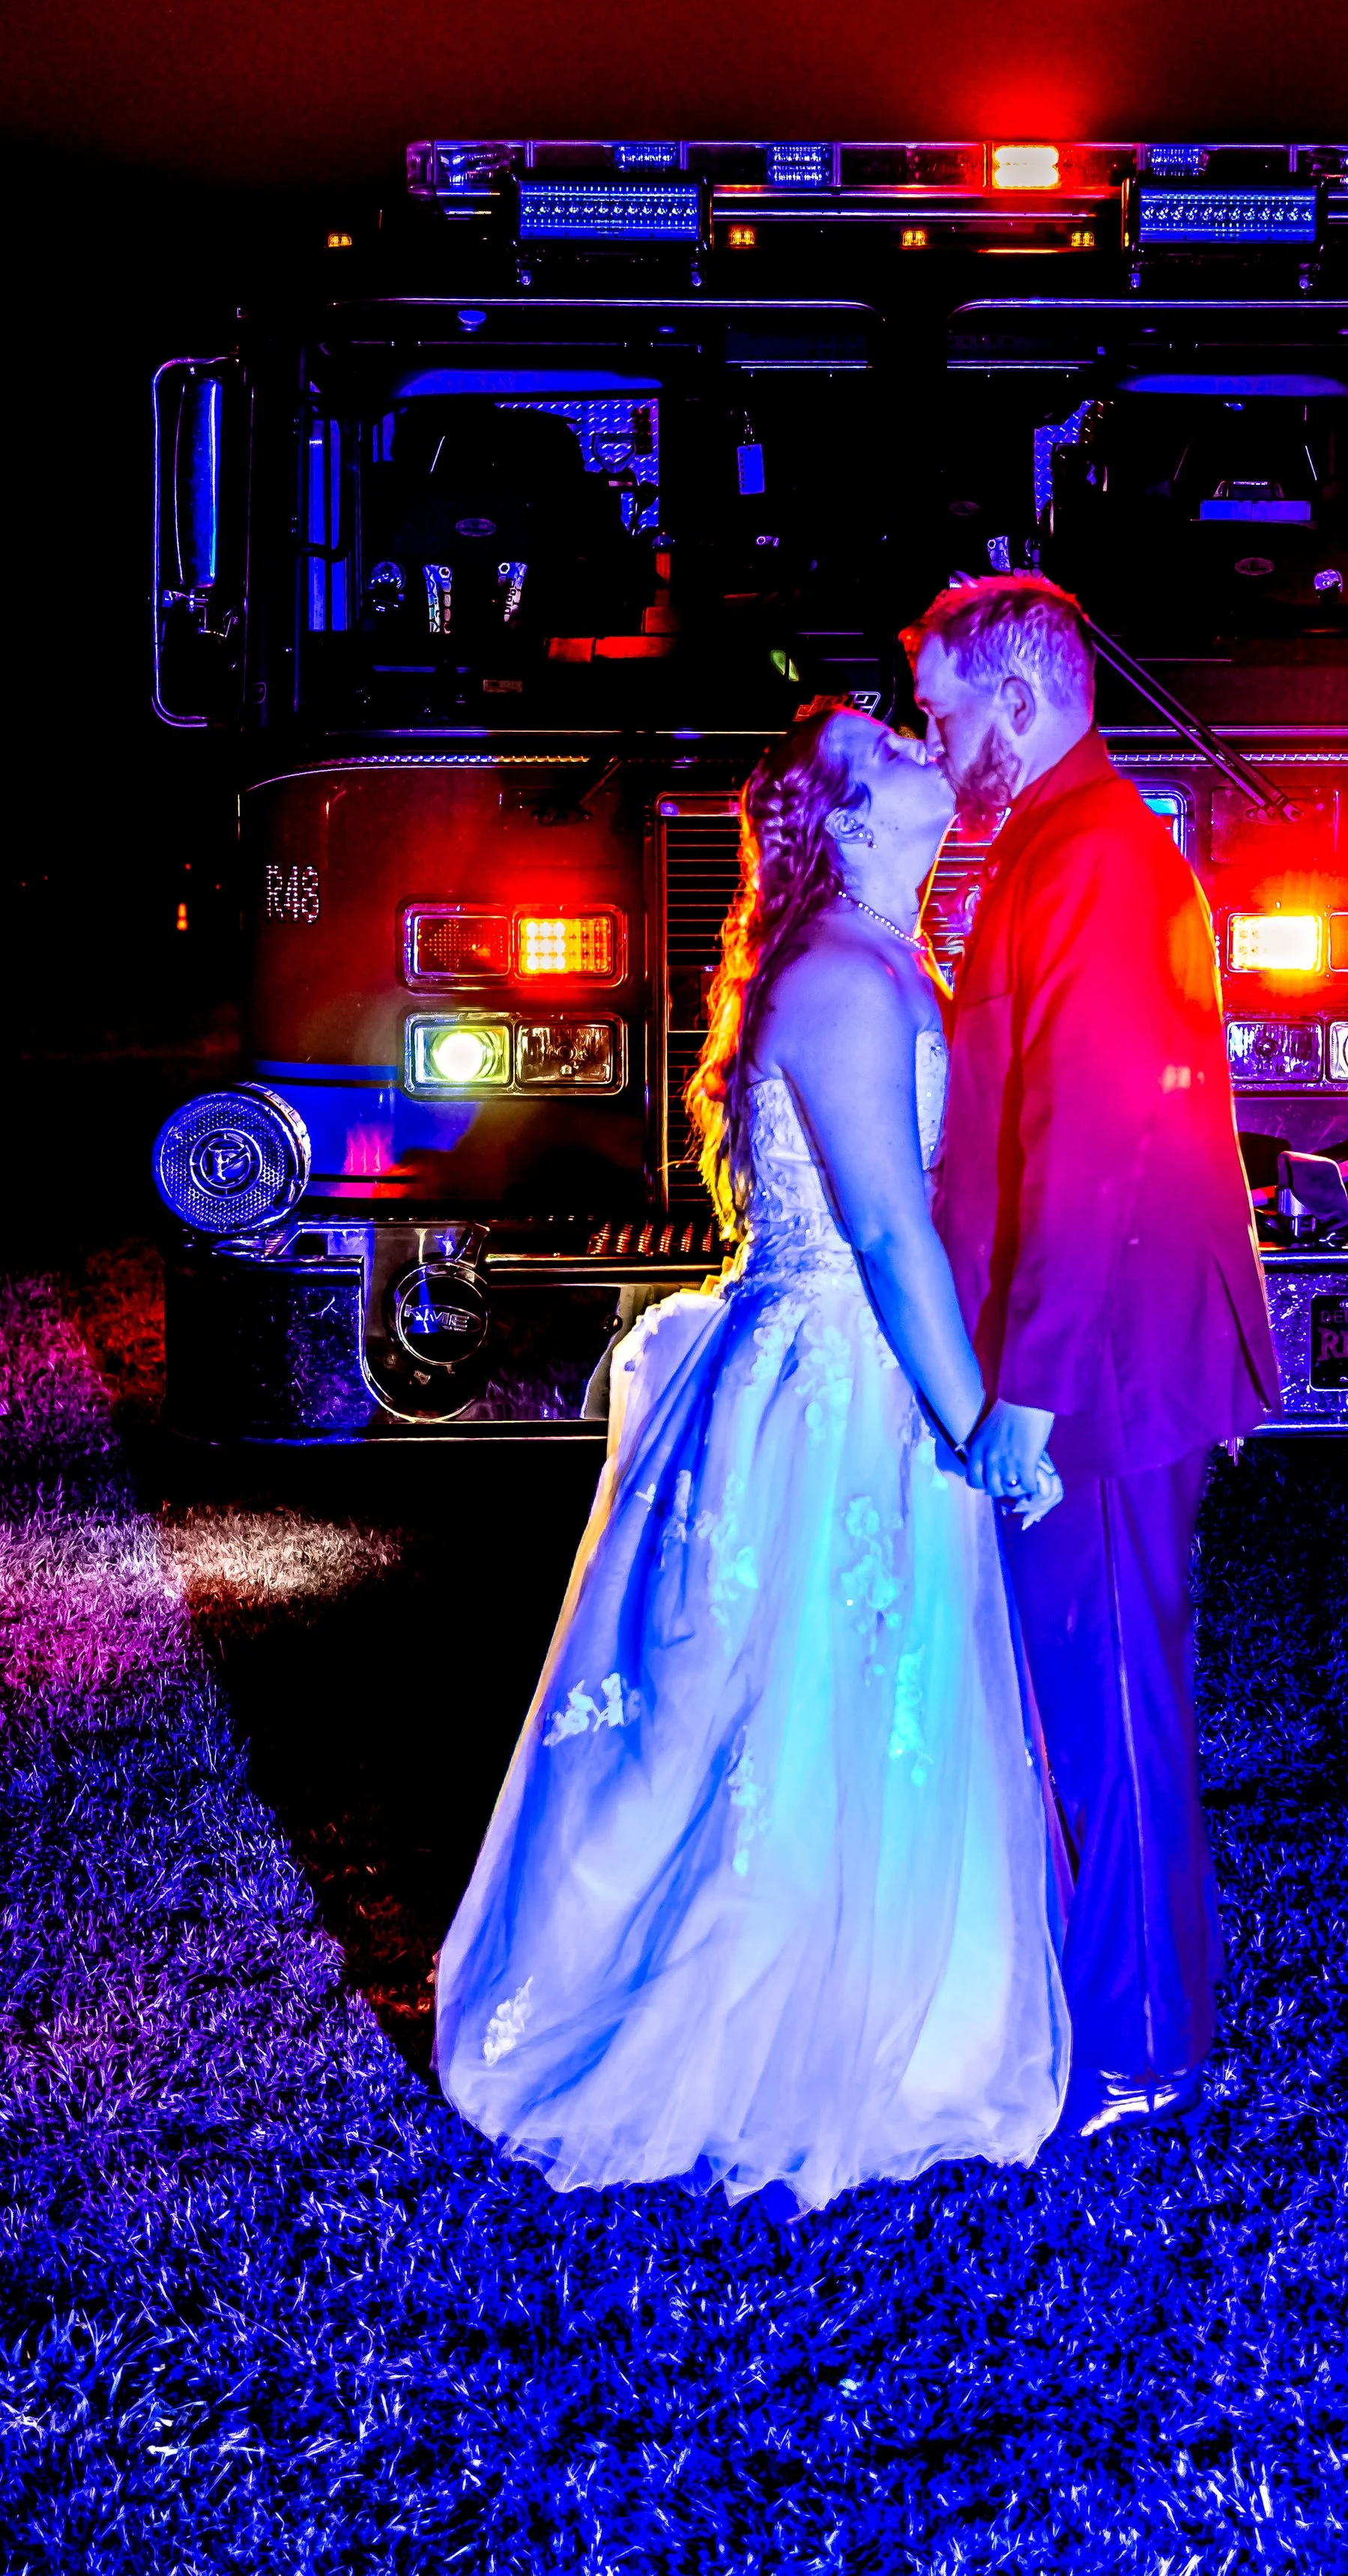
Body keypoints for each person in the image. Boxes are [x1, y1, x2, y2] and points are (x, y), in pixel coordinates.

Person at [434, 700, 1068, 2210]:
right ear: (850, 817)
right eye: (897, 744)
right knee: (774, 1704)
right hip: (838, 1383)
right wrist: (975, 1416)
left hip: (860, 1363)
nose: (932, 748)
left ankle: (888, 2000)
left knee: (850, 1698)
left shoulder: (877, 951)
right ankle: (760, 2030)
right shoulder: (846, 977)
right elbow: (882, 1227)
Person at [907, 576, 1281, 2139]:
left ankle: (1139, 2045)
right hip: (1091, 1346)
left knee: (1114, 1694)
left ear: (1014, 695)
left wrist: (1034, 1392)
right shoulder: (1062, 850)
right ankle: (1119, 2008)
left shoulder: (1098, 858)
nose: (931, 738)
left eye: (938, 707)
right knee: (1090, 1686)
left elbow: (1088, 1147)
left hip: (1103, 1364)